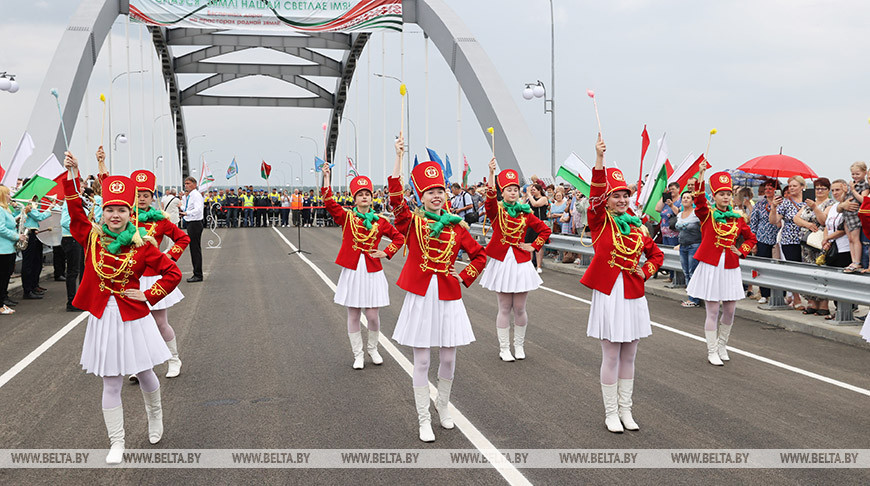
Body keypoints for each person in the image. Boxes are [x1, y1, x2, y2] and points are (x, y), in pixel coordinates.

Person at [62, 151, 182, 464]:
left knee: (144, 373)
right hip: (104, 318)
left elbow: (173, 272)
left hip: (135, 317)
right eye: (110, 209)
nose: (115, 215)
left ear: (131, 214)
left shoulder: (141, 245)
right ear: (102, 213)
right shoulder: (91, 239)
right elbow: (75, 213)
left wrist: (150, 293)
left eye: (121, 210)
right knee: (111, 380)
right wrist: (74, 175)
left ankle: (155, 417)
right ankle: (117, 442)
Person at [388, 133, 487, 442]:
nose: (436, 196)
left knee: (448, 358)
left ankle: (443, 407)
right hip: (421, 296)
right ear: (421, 196)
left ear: (446, 194)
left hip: (447, 295)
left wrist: (466, 274)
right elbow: (396, 203)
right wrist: (399, 159)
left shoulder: (458, 226)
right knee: (422, 360)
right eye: (430, 192)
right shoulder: (412, 222)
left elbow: (480, 255)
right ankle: (423, 418)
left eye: (440, 191)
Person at [581, 135, 663, 434]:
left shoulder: (638, 225)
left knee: (630, 354)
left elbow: (656, 253)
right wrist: (600, 161)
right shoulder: (600, 221)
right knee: (611, 354)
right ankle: (611, 412)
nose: (622, 200)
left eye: (625, 195)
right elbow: (595, 195)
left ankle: (627, 410)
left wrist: (647, 269)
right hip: (609, 292)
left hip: (633, 293)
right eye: (616, 196)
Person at [321, 165, 405, 369]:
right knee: (353, 314)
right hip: (352, 270)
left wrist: (386, 252)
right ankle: (357, 354)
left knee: (373, 315)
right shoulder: (347, 217)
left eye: (367, 194)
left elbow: (399, 237)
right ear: (354, 199)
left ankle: (373, 348)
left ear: (372, 198)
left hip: (372, 270)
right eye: (360, 195)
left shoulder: (380, 222)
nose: (364, 197)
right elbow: (329, 202)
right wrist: (326, 178)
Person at [479, 159, 551, 361]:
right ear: (502, 192)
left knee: (519, 308)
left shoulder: (525, 213)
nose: (512, 192)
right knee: (504, 307)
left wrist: (534, 245)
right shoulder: (497, 211)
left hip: (520, 261)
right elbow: (489, 201)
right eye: (508, 189)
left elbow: (545, 230)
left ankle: (519, 346)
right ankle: (504, 348)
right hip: (502, 262)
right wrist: (491, 173)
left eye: (515, 189)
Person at [688, 164, 757, 366]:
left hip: (730, 267)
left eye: (728, 194)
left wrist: (742, 250)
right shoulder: (707, 215)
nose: (725, 197)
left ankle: (722, 345)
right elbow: (699, 201)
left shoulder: (738, 219)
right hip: (711, 266)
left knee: (730, 310)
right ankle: (711, 350)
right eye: (721, 194)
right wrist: (701, 174)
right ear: (715, 196)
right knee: (712, 311)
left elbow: (751, 238)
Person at [130, 170, 190, 379]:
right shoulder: (125, 218)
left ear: (153, 197)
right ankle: (143, 367)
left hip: (155, 277)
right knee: (136, 325)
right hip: (132, 278)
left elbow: (182, 238)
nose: (142, 199)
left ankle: (174, 359)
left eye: (146, 195)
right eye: (138, 194)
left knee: (159, 323)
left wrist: (169, 257)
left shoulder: (161, 221)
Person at [793, 178, 834, 315]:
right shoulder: (808, 203)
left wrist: (815, 208)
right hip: (806, 243)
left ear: (828, 190)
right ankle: (812, 302)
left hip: (820, 242)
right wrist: (808, 224)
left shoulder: (830, 204)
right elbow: (796, 218)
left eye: (823, 188)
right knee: (809, 272)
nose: (820, 191)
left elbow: (823, 220)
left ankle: (823, 304)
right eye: (817, 188)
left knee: (821, 272)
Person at [770, 175, 806, 309]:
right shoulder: (785, 202)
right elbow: (774, 221)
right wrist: (773, 207)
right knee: (794, 270)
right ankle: (796, 299)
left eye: (794, 186)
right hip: (789, 239)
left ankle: (812, 299)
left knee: (807, 270)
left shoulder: (809, 201)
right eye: (790, 186)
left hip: (807, 240)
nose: (791, 188)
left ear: (802, 187)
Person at [821, 180, 852, 320]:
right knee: (833, 281)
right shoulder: (834, 207)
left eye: (838, 190)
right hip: (833, 248)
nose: (835, 193)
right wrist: (825, 239)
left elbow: (843, 229)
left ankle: (844, 311)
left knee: (843, 283)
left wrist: (828, 239)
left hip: (845, 248)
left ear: (845, 190)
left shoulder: (848, 205)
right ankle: (837, 310)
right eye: (833, 190)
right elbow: (827, 225)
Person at [750, 179, 780, 304]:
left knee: (777, 268)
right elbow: (753, 223)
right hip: (762, 238)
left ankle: (779, 294)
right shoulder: (759, 204)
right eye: (766, 189)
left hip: (777, 239)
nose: (768, 191)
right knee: (762, 267)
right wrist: (753, 242)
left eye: (771, 189)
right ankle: (764, 293)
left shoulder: (782, 203)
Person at [20, 192, 52, 300]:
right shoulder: (26, 207)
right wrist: (50, 208)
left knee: (36, 261)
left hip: (34, 233)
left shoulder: (31, 207)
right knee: (28, 263)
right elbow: (39, 216)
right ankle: (28, 290)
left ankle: (34, 286)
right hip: (28, 234)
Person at [0, 186, 26, 314]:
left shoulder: (6, 209)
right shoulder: (0, 209)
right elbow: (1, 228)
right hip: (2, 249)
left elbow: (8, 224)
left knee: (5, 277)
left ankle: (2, 303)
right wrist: (17, 236)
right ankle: (0, 305)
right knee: (2, 277)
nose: (11, 196)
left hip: (8, 248)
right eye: (8, 194)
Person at [674, 190, 702, 307]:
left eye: (688, 198)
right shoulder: (679, 214)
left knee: (692, 272)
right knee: (686, 272)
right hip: (683, 246)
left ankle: (694, 299)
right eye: (684, 197)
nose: (685, 199)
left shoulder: (696, 214)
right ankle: (690, 296)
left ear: (692, 201)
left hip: (694, 245)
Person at [842, 162, 868, 273]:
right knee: (850, 239)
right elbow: (844, 199)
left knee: (855, 239)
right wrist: (845, 191)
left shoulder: (864, 185)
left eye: (857, 174)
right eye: (853, 174)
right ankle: (853, 260)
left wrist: (852, 190)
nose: (855, 176)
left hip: (856, 215)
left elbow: (864, 200)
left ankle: (857, 261)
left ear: (864, 173)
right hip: (847, 215)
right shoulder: (851, 184)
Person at [180, 177, 204, 283]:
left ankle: (198, 274)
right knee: (193, 249)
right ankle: (196, 272)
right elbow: (187, 208)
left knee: (195, 249)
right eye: (185, 183)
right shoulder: (190, 196)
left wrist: (187, 213)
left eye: (188, 183)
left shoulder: (196, 195)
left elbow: (198, 209)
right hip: (190, 222)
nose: (186, 185)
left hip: (195, 223)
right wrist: (182, 204)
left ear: (194, 184)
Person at [525, 183, 549, 273]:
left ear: (539, 190)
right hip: (530, 224)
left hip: (540, 223)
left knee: (538, 246)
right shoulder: (530, 198)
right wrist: (525, 196)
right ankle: (530, 264)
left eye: (534, 189)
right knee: (529, 244)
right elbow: (523, 206)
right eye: (531, 190)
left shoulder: (543, 198)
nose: (532, 191)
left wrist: (529, 195)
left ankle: (539, 266)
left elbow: (535, 204)